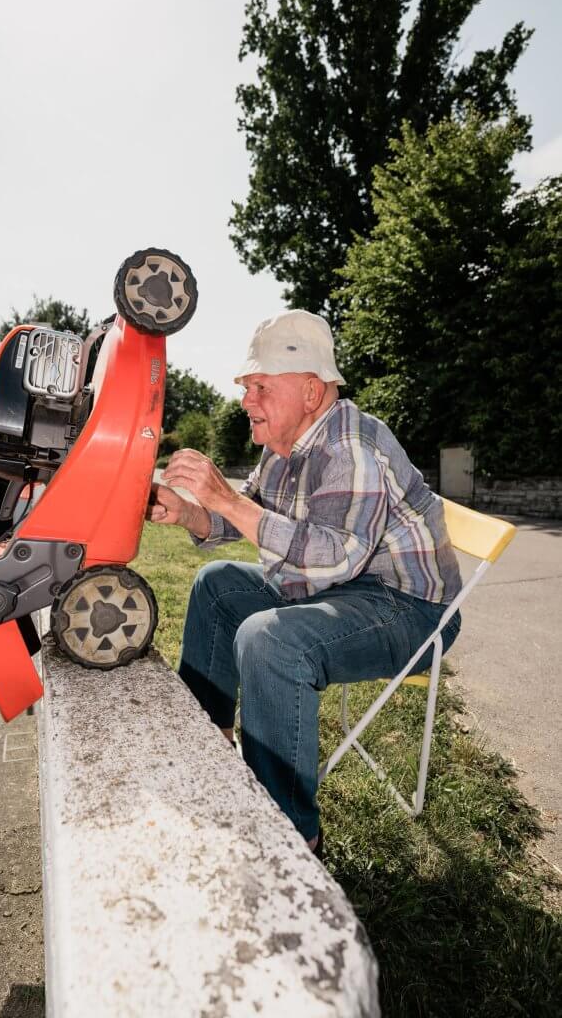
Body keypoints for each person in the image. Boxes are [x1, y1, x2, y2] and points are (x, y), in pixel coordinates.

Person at [148, 309, 462, 853]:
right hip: (347, 587)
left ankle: (290, 837)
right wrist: (192, 513)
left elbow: (334, 556)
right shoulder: (284, 449)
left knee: (269, 640)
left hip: (409, 609)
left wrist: (223, 498)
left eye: (260, 387)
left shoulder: (352, 448)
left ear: (311, 392)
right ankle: (211, 747)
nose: (247, 400)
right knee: (216, 583)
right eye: (247, 387)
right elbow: (247, 515)